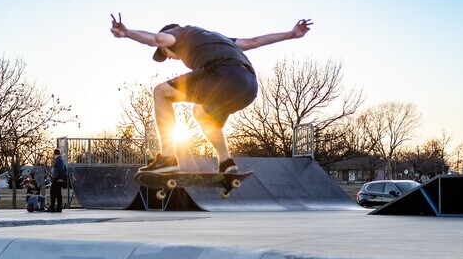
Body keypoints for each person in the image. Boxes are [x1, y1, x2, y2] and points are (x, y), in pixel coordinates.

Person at [110, 13, 313, 173]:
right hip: (248, 85)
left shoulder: (180, 33)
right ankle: (226, 162)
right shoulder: (217, 38)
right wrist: (291, 34)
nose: (170, 57)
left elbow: (155, 38)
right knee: (201, 114)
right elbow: (253, 42)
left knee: (161, 92)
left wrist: (127, 33)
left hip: (223, 73)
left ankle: (167, 158)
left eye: (166, 52)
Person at [50, 148, 67, 212]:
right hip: (57, 178)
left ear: (54, 153)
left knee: (54, 192)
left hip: (57, 178)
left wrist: (61, 178)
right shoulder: (59, 159)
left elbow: (61, 169)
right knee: (56, 192)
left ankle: (56, 207)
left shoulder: (59, 160)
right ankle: (55, 206)